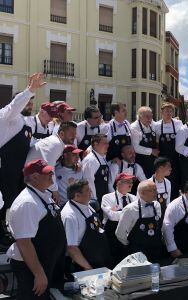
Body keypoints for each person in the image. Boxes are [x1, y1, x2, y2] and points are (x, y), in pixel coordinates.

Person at [8, 159, 66, 299]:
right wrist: (39, 274)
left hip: (46, 261)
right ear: (34, 177)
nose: (52, 174)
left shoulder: (43, 195)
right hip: (32, 268)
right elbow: (24, 242)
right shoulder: (27, 203)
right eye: (48, 173)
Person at [0, 74, 45, 247]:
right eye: (27, 102)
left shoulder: (24, 122)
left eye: (32, 103)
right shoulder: (6, 117)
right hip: (5, 168)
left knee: (14, 202)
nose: (30, 106)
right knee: (4, 203)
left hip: (18, 171)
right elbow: (14, 106)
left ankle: (14, 233)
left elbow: (32, 144)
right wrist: (30, 91)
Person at [62, 180, 111, 273]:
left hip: (100, 259)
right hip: (86, 265)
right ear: (77, 195)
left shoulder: (86, 204)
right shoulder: (70, 215)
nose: (91, 192)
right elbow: (71, 248)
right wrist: (89, 269)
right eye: (87, 190)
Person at [26, 121, 78, 203]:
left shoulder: (56, 141)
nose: (74, 136)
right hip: (34, 180)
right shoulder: (56, 144)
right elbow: (48, 169)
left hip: (35, 179)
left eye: (75, 133)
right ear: (61, 133)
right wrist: (55, 190)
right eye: (71, 133)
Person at [116, 180, 164, 261]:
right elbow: (120, 233)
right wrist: (131, 245)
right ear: (142, 193)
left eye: (156, 189)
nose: (157, 192)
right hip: (138, 252)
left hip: (156, 249)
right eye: (153, 190)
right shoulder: (130, 209)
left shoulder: (157, 205)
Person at [101, 173, 137, 265]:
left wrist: (118, 213)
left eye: (131, 182)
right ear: (118, 183)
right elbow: (112, 216)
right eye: (127, 182)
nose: (131, 184)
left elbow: (139, 214)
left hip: (129, 234)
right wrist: (129, 214)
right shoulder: (107, 197)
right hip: (112, 236)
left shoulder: (134, 198)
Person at [154, 103, 183, 199]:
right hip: (162, 158)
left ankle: (174, 198)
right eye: (166, 111)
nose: (169, 113)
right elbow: (157, 142)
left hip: (175, 158)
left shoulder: (178, 123)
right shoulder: (157, 125)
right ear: (161, 111)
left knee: (175, 180)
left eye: (171, 111)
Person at [82, 134, 110, 210]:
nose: (107, 145)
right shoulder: (90, 160)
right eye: (104, 143)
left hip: (103, 197)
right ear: (95, 144)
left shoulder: (102, 157)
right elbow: (88, 181)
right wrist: (94, 200)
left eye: (107, 143)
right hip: (95, 200)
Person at [130, 106, 159, 178]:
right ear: (140, 117)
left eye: (151, 116)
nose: (150, 119)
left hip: (152, 160)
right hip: (141, 161)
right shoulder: (134, 127)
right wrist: (151, 151)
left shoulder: (152, 123)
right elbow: (135, 147)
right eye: (147, 116)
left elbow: (161, 124)